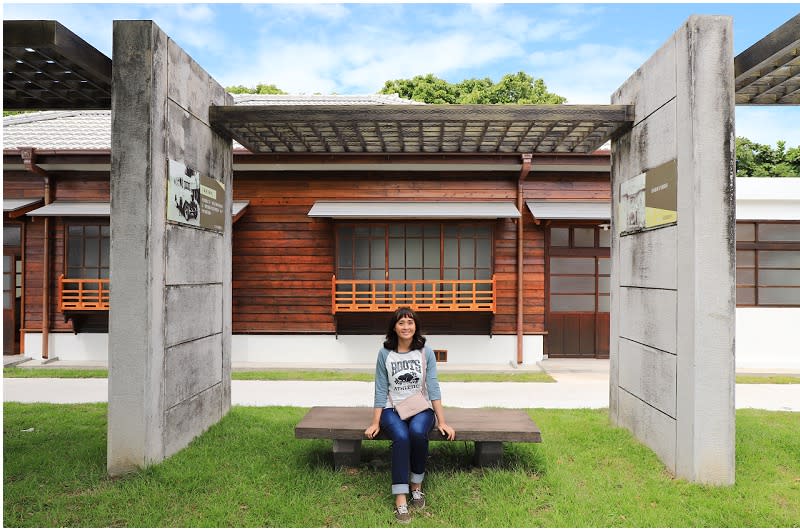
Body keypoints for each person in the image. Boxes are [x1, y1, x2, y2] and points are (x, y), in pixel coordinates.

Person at [364, 307, 456, 523]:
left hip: (420, 408)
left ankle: (416, 484)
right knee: (401, 437)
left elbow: (433, 387)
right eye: (401, 323)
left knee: (416, 432)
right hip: (391, 409)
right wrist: (375, 421)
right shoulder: (385, 353)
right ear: (394, 327)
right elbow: (380, 388)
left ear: (416, 326)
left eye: (410, 323)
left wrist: (442, 421)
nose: (406, 327)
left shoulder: (425, 352)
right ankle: (400, 498)